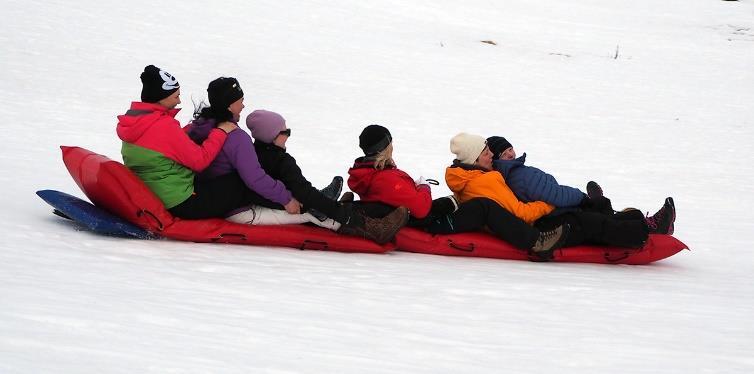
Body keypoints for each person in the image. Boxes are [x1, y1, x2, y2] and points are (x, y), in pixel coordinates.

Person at [346, 125, 569, 259]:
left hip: (419, 217)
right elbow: (421, 209)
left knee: (463, 203)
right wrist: (423, 187)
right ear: (386, 147)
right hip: (424, 223)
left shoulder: (370, 173)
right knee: (484, 207)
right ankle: (536, 242)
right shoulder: (384, 178)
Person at [446, 132, 658, 252]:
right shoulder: (487, 179)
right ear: (474, 160)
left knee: (589, 218)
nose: (491, 155)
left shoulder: (468, 178)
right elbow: (520, 214)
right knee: (588, 222)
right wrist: (549, 203)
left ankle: (640, 221)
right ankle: (644, 231)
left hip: (532, 222)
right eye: (486, 152)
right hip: (537, 227)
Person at [117, 65, 277, 220]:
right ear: (161, 98)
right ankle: (287, 209)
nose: (179, 101)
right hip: (180, 201)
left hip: (155, 191)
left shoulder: (135, 121)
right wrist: (220, 132)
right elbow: (199, 161)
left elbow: (160, 143)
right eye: (175, 96)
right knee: (240, 183)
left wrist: (190, 129)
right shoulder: (164, 126)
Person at [183, 77, 338, 230]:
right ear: (230, 105)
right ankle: (323, 209)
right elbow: (255, 179)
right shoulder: (235, 137)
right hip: (236, 207)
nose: (243, 105)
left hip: (210, 193)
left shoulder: (200, 127)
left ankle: (317, 198)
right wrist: (287, 200)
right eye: (240, 100)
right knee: (302, 210)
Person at [245, 111, 409, 245]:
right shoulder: (281, 161)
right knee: (327, 210)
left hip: (276, 201)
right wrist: (341, 212)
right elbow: (304, 192)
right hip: (289, 205)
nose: (288, 135)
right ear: (271, 136)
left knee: (321, 203)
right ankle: (373, 229)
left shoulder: (254, 155)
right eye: (285, 132)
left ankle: (328, 200)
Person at [486, 135, 675, 234]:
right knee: (600, 215)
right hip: (558, 213)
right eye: (505, 153)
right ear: (497, 159)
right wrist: (581, 197)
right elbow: (554, 194)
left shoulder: (511, 174)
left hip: (552, 211)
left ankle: (639, 218)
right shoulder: (520, 175)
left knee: (602, 210)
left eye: (510, 149)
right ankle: (650, 227)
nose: (511, 154)